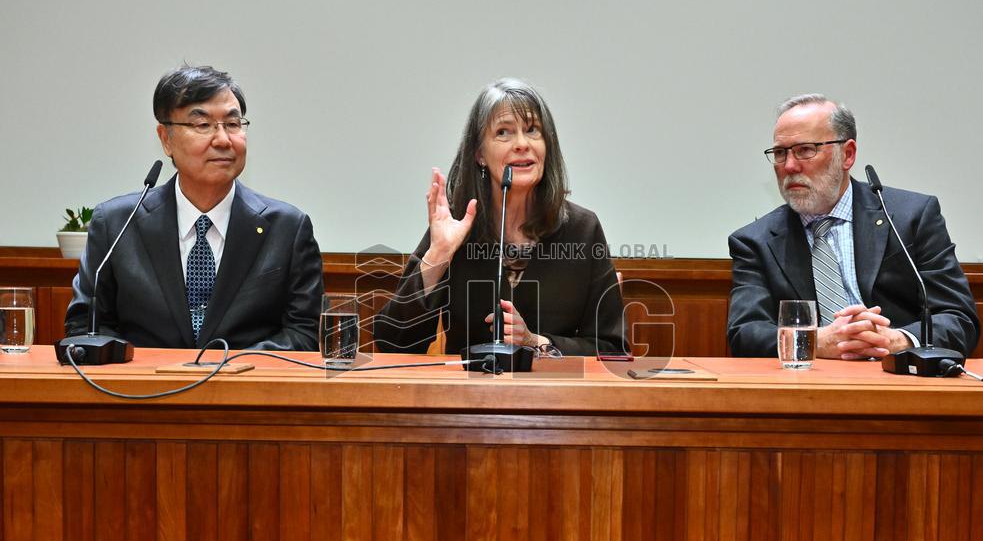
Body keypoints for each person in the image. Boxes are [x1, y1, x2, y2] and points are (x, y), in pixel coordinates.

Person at [64, 65, 323, 350]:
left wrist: (222, 368)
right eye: (203, 125)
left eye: (233, 124)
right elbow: (85, 329)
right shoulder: (116, 224)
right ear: (166, 139)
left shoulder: (287, 228)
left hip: (245, 390)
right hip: (143, 392)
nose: (223, 139)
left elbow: (304, 333)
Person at [373, 78, 626, 356]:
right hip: (467, 394)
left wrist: (536, 342)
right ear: (480, 154)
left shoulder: (583, 229)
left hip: (554, 395)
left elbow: (613, 349)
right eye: (503, 132)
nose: (521, 144)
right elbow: (392, 344)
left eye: (532, 130)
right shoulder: (459, 225)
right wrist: (439, 255)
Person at [727, 94, 979, 359]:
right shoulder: (755, 241)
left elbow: (959, 318)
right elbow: (745, 333)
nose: (789, 166)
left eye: (805, 150)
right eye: (780, 153)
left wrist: (898, 340)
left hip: (900, 381)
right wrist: (815, 340)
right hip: (808, 384)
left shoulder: (911, 217)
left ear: (847, 154)